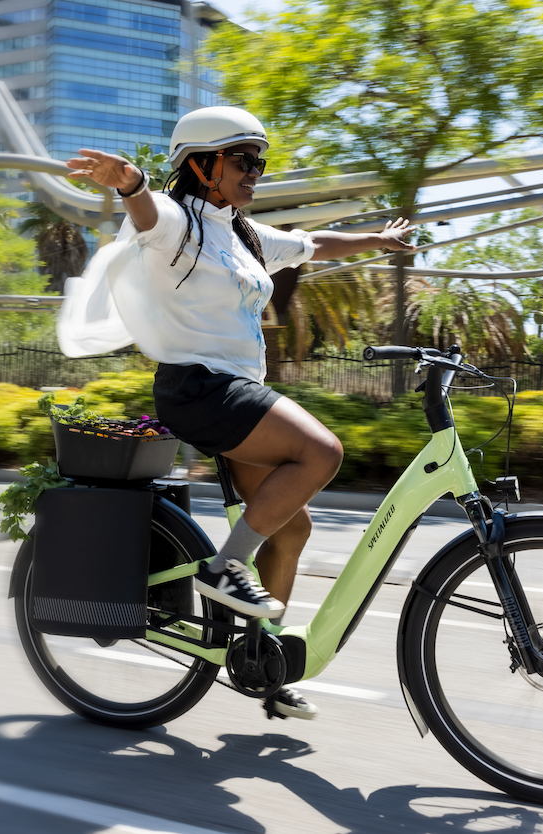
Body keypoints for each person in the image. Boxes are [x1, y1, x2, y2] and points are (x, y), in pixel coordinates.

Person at [59, 107, 417, 719]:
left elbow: (314, 244)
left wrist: (379, 240)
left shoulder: (243, 235)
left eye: (260, 162)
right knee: (322, 451)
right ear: (201, 165)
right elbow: (147, 212)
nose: (255, 172)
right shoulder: (178, 223)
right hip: (199, 388)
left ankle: (262, 664)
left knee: (293, 529)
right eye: (242, 160)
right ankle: (225, 568)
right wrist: (130, 183)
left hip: (235, 394)